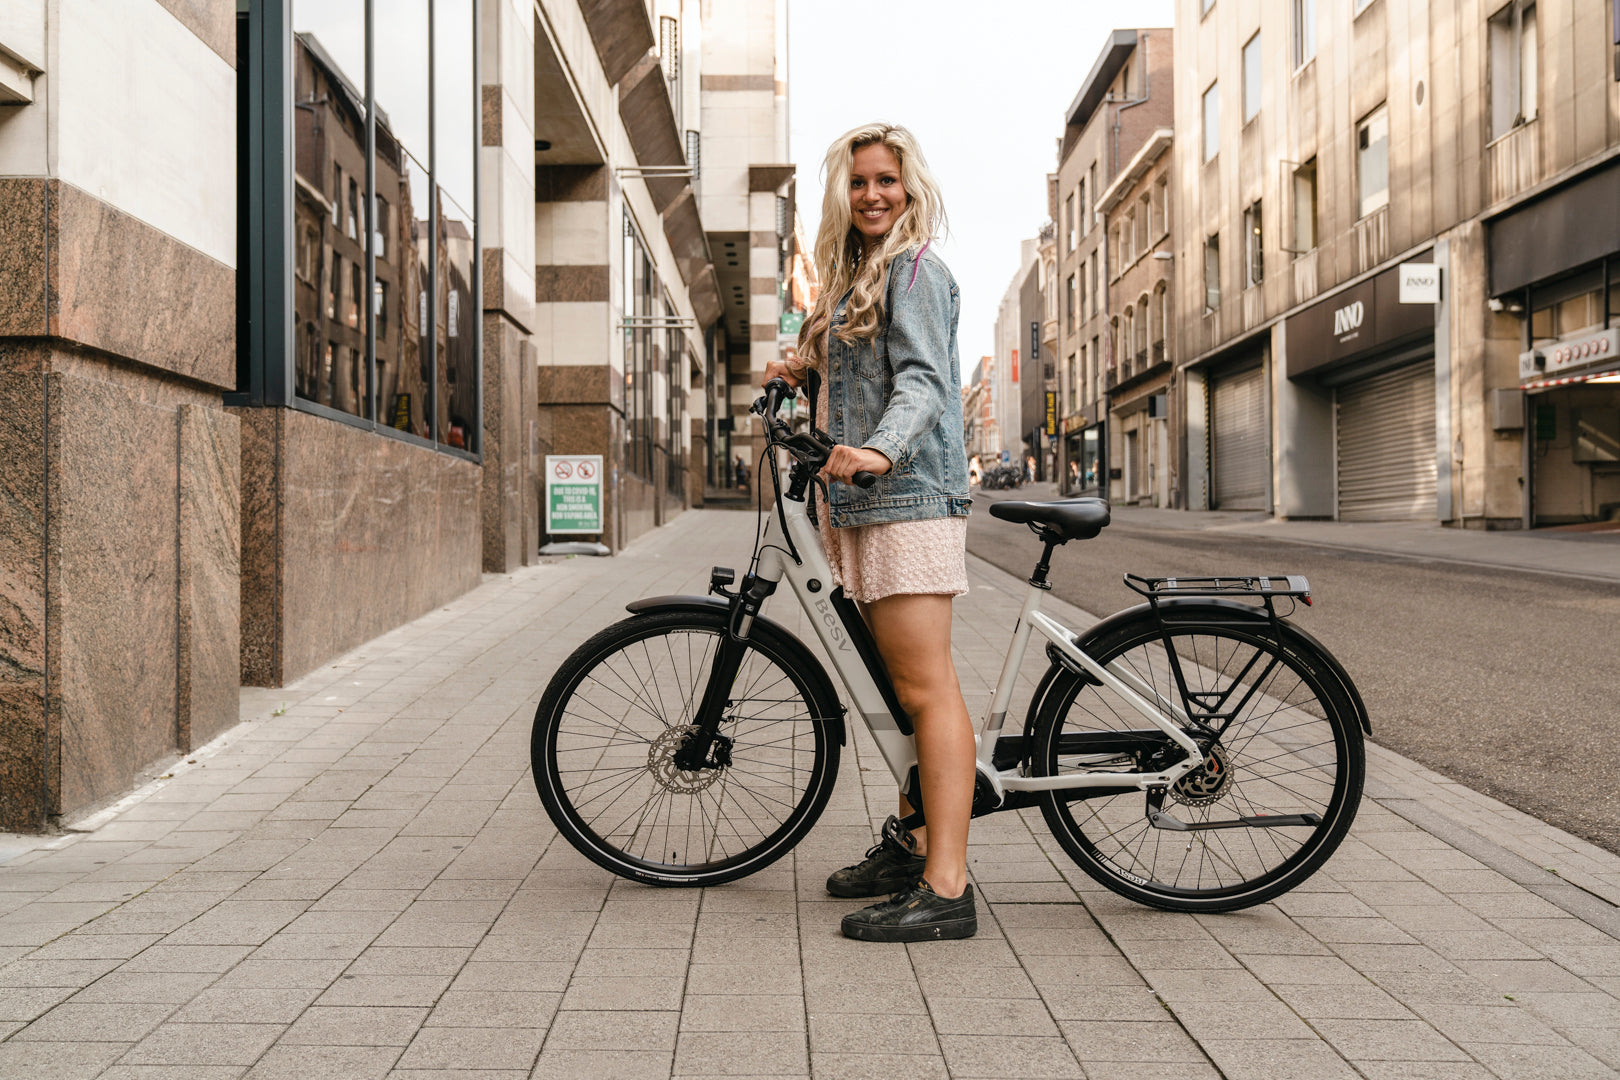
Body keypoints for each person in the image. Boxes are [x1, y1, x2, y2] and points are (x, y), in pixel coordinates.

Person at [763, 122, 976, 942]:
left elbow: (923, 381)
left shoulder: (917, 271)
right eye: (858, 183)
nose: (873, 195)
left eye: (886, 180)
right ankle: (914, 844)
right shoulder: (856, 278)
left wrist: (880, 451)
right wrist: (799, 369)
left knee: (927, 691)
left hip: (907, 498)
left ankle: (947, 888)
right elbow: (859, 372)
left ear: (910, 186)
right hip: (862, 503)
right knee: (900, 693)